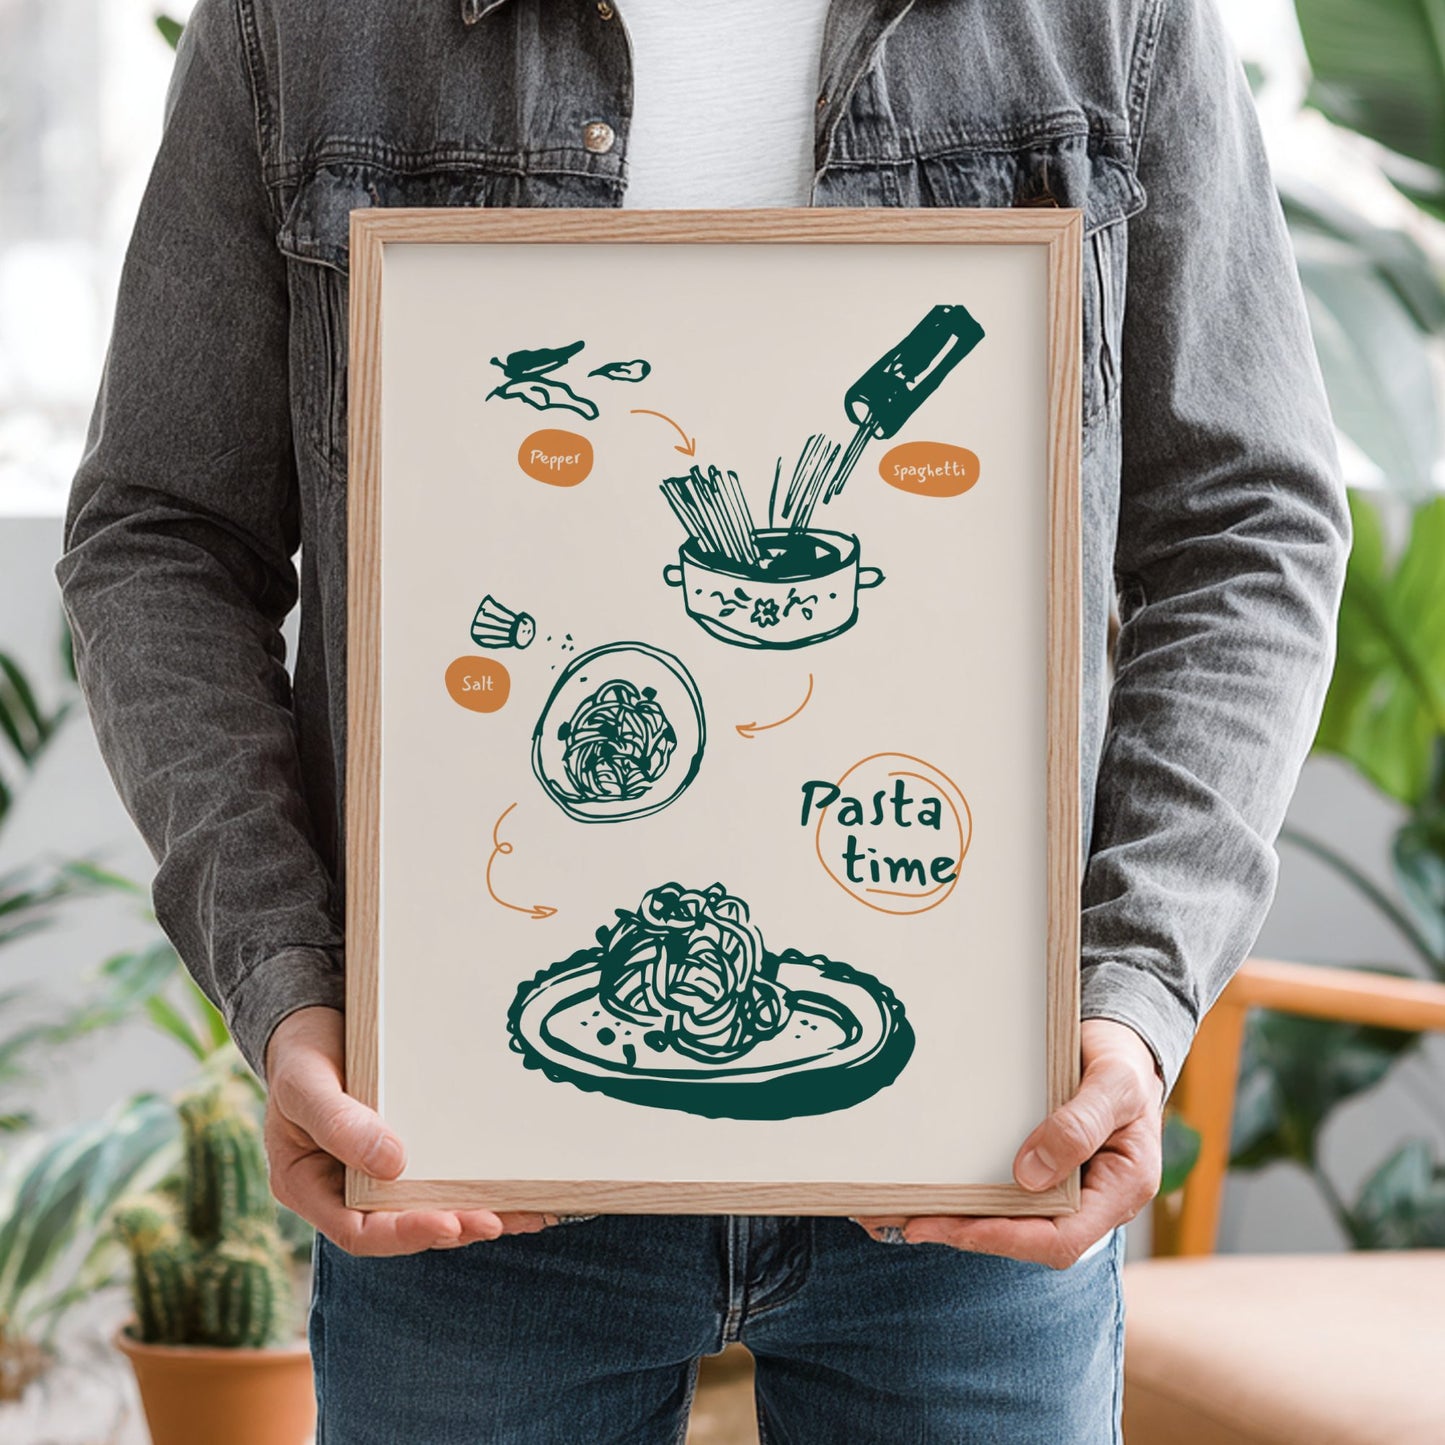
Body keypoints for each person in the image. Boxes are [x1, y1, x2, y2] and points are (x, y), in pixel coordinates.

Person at [55, 0, 1349, 1439]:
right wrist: (287, 973)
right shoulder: (309, 23)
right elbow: (159, 537)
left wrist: (1134, 989)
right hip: (470, 1169)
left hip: (979, 1166)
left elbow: (1248, 529)